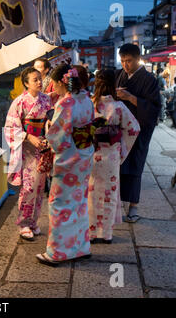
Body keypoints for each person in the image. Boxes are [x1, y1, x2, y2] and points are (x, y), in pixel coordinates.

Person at [36, 64, 94, 266]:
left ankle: (58, 252)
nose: (51, 86)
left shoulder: (66, 103)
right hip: (84, 156)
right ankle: (81, 246)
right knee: (79, 202)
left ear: (61, 81)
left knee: (60, 203)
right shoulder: (86, 98)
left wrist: (49, 127)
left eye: (52, 82)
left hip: (69, 158)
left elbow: (57, 137)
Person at [88, 70, 140, 243]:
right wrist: (121, 150)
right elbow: (134, 128)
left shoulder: (90, 104)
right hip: (111, 155)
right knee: (109, 193)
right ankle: (106, 233)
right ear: (113, 84)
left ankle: (92, 232)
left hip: (92, 153)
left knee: (92, 192)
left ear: (96, 84)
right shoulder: (118, 107)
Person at [115, 43, 161, 223]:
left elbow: (154, 107)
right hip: (120, 128)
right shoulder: (119, 75)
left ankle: (133, 206)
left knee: (135, 164)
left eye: (129, 61)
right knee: (118, 164)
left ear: (137, 59)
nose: (125, 65)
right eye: (123, 61)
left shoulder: (149, 79)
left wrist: (131, 98)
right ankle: (117, 204)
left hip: (139, 129)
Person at [4, 67, 52, 240]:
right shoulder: (19, 102)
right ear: (26, 83)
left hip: (42, 147)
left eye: (40, 79)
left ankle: (34, 222)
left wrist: (48, 135)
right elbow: (10, 127)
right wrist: (27, 136)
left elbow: (51, 121)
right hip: (26, 150)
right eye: (35, 80)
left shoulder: (47, 100)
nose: (39, 82)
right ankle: (24, 223)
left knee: (40, 188)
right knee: (28, 187)